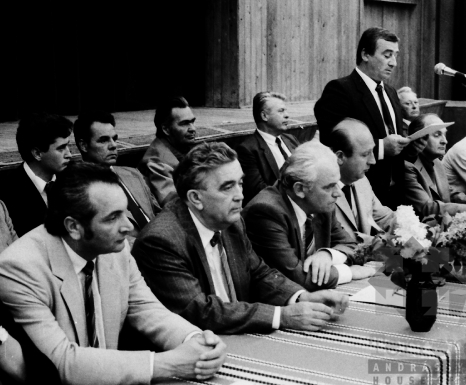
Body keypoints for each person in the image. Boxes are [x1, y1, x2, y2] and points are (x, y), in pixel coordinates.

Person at [0, 163, 226, 384]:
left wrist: (197, 341)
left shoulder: (115, 249)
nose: (128, 227)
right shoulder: (19, 269)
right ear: (73, 227)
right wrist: (167, 364)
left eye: (124, 213)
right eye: (112, 218)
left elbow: (147, 309)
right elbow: (61, 361)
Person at [132, 142, 349, 334]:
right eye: (228, 187)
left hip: (237, 335)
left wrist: (301, 297)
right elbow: (200, 311)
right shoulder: (161, 241)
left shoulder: (232, 223)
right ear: (196, 198)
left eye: (241, 183)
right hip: (196, 347)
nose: (240, 195)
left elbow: (259, 273)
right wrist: (281, 316)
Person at [243, 140, 380, 291]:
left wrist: (328, 255)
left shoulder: (321, 203)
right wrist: (348, 272)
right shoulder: (266, 212)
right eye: (329, 187)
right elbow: (297, 278)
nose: (338, 193)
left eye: (336, 183)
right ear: (300, 189)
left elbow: (351, 245)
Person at [314, 27, 411, 209]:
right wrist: (381, 148)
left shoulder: (391, 92)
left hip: (396, 194)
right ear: (365, 54)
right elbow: (331, 144)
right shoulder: (340, 90)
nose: (394, 63)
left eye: (395, 55)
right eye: (387, 55)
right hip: (361, 194)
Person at [74, 111, 160, 240]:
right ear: (84, 145)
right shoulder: (80, 188)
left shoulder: (133, 173)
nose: (114, 145)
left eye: (114, 139)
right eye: (103, 140)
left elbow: (158, 213)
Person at [404, 114, 466, 217]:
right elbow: (428, 208)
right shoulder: (407, 166)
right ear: (419, 139)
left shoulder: (436, 162)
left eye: (444, 134)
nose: (445, 141)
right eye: (437, 135)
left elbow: (451, 194)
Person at [0, 113, 73, 237]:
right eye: (61, 148)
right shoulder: (7, 192)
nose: (69, 154)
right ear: (37, 154)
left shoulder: (74, 177)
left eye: (68, 146)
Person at [325, 119, 397, 242]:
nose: (373, 161)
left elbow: (385, 218)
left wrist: (422, 231)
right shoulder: (320, 191)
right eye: (365, 154)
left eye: (372, 151)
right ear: (340, 157)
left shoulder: (361, 181)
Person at [236, 92, 300, 206]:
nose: (287, 115)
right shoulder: (247, 150)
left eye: (286, 110)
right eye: (281, 111)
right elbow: (260, 192)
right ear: (264, 116)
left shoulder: (290, 139)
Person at [138, 96, 197, 206]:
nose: (193, 128)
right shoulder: (156, 162)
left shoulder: (180, 147)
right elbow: (174, 205)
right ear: (166, 129)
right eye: (184, 123)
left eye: (193, 122)